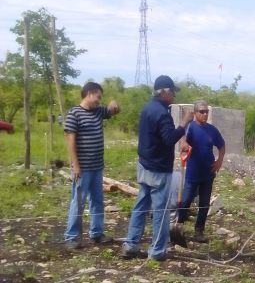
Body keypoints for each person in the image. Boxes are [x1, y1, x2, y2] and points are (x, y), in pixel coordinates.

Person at [121, 75, 193, 261]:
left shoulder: (147, 108)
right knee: (160, 211)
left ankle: (130, 244)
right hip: (158, 169)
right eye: (172, 92)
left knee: (141, 206)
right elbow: (169, 139)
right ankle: (157, 251)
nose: (174, 95)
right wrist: (183, 123)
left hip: (144, 165)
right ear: (165, 92)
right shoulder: (162, 114)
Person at [63, 81, 120, 249]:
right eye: (98, 97)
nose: (99, 101)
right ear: (89, 93)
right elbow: (70, 142)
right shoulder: (74, 114)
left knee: (97, 201)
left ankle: (97, 233)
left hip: (97, 167)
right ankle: (72, 236)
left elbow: (114, 110)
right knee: (78, 202)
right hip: (83, 168)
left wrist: (114, 104)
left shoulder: (98, 112)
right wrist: (76, 165)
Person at [176, 100, 226, 243]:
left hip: (208, 173)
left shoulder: (212, 130)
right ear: (195, 112)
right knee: (185, 200)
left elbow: (222, 146)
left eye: (206, 112)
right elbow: (182, 136)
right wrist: (184, 143)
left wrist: (219, 161)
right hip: (193, 173)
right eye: (201, 112)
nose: (204, 114)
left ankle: (199, 231)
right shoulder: (190, 127)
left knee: (204, 203)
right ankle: (178, 226)